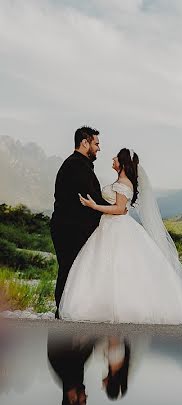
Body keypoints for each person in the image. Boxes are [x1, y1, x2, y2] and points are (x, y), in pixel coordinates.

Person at [57, 145, 182, 324]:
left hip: (116, 226)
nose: (113, 159)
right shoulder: (121, 182)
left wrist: (94, 206)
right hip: (109, 226)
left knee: (118, 267)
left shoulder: (123, 184)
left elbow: (119, 209)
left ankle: (118, 308)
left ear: (122, 163)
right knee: (108, 266)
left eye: (116, 158)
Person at [49, 126, 103, 318]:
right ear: (84, 142)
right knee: (69, 269)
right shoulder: (76, 166)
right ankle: (63, 312)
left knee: (71, 269)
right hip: (70, 229)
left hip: (69, 227)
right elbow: (93, 198)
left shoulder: (78, 164)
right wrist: (117, 209)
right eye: (96, 143)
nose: (99, 148)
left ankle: (66, 312)